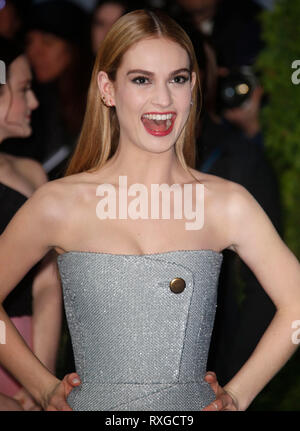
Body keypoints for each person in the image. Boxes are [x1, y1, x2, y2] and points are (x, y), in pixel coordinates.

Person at [0, 9, 299, 412]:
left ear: (193, 86)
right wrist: (41, 386)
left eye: (177, 79)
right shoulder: (59, 204)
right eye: (141, 80)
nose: (163, 100)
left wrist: (239, 394)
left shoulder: (227, 204)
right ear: (107, 88)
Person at [0, 36, 62, 410]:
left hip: (28, 344)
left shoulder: (31, 173)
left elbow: (47, 284)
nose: (34, 103)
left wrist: (43, 379)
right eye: (24, 89)